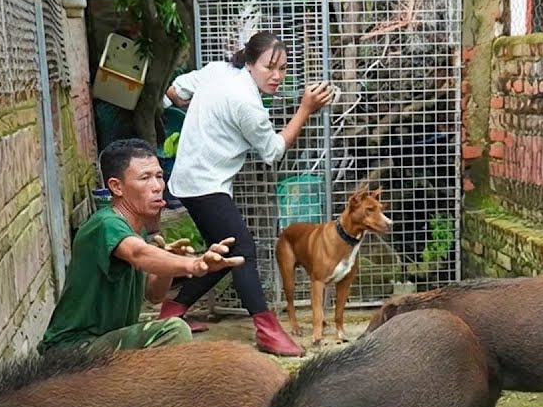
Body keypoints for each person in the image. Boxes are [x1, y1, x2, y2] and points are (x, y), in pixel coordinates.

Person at [161, 32, 334, 357]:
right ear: (250, 62)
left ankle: (172, 311)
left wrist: (201, 117)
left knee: (225, 254)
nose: (277, 76)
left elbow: (174, 91)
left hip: (190, 177)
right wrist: (305, 108)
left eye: (282, 68)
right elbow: (273, 151)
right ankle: (268, 331)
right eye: (270, 67)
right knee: (242, 251)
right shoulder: (247, 104)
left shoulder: (216, 72)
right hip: (204, 183)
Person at [39, 138, 242, 354]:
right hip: (72, 350)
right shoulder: (105, 224)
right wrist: (194, 264)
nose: (157, 187)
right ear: (116, 187)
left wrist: (166, 267)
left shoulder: (137, 229)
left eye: (159, 176)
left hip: (103, 343)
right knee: (174, 330)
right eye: (145, 178)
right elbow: (137, 253)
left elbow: (153, 295)